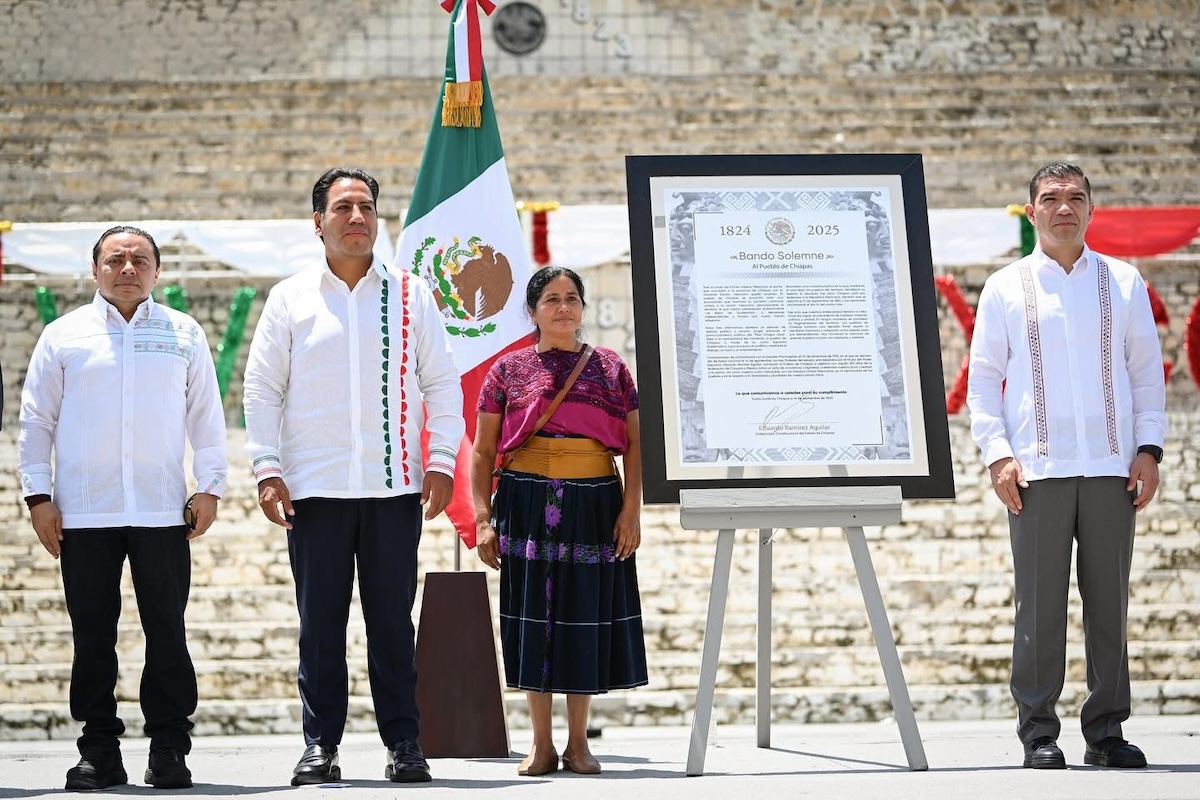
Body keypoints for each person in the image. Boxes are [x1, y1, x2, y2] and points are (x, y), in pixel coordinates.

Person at [242, 167, 463, 785]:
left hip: (395, 489)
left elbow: (441, 383)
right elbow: (262, 389)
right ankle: (320, 748)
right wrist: (267, 468)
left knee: (393, 625)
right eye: (343, 208)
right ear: (318, 222)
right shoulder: (289, 298)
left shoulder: (413, 293)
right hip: (315, 492)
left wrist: (441, 461)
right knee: (321, 626)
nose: (357, 218)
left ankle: (404, 744)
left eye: (367, 206)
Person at [967, 163, 1167, 770]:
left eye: (1075, 198)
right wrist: (998, 456)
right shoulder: (1004, 287)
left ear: (1091, 209)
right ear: (1032, 213)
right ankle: (1038, 732)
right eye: (1050, 199)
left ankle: (1106, 732)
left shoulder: (1124, 282)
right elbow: (981, 383)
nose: (1063, 208)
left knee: (1109, 602)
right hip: (1036, 470)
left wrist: (1149, 449)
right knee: (1038, 603)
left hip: (1111, 466)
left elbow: (1144, 374)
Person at [18, 225, 227, 791]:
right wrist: (39, 496)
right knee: (92, 636)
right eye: (115, 259)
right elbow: (36, 420)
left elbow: (207, 417)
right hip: (84, 514)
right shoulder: (64, 336)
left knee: (167, 632)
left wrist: (209, 486)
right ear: (96, 270)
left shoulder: (183, 333)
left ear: (157, 271)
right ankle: (99, 750)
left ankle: (168, 750)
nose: (127, 268)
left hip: (162, 512)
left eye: (139, 260)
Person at [472, 266, 648, 777]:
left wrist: (631, 510)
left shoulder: (612, 369)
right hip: (525, 500)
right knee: (534, 617)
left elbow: (635, 443)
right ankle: (541, 744)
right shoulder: (506, 371)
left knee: (582, 615)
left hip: (595, 500)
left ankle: (578, 743)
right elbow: (483, 452)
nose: (563, 307)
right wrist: (485, 519)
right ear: (532, 311)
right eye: (551, 299)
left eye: (572, 298)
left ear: (583, 308)